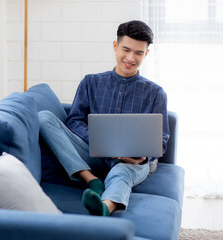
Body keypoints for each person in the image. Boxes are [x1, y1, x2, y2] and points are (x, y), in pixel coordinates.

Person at [38, 20, 169, 216]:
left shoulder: (156, 93)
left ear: (146, 54)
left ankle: (104, 207)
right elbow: (74, 120)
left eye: (138, 53)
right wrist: (105, 144)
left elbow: (161, 140)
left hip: (131, 162)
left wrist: (142, 155)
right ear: (115, 46)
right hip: (93, 153)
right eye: (126, 49)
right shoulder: (91, 82)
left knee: (122, 173)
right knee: (44, 118)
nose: (131, 58)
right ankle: (91, 179)